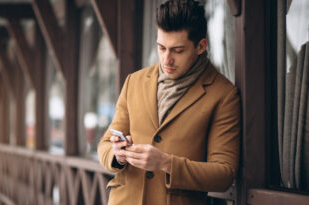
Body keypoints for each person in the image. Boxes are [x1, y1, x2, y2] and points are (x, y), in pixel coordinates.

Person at [97, 0, 241, 204]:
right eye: (161, 48)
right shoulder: (134, 82)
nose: (167, 60)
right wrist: (117, 155)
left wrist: (166, 163)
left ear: (201, 46)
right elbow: (104, 144)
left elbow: (223, 174)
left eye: (177, 50)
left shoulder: (224, 95)